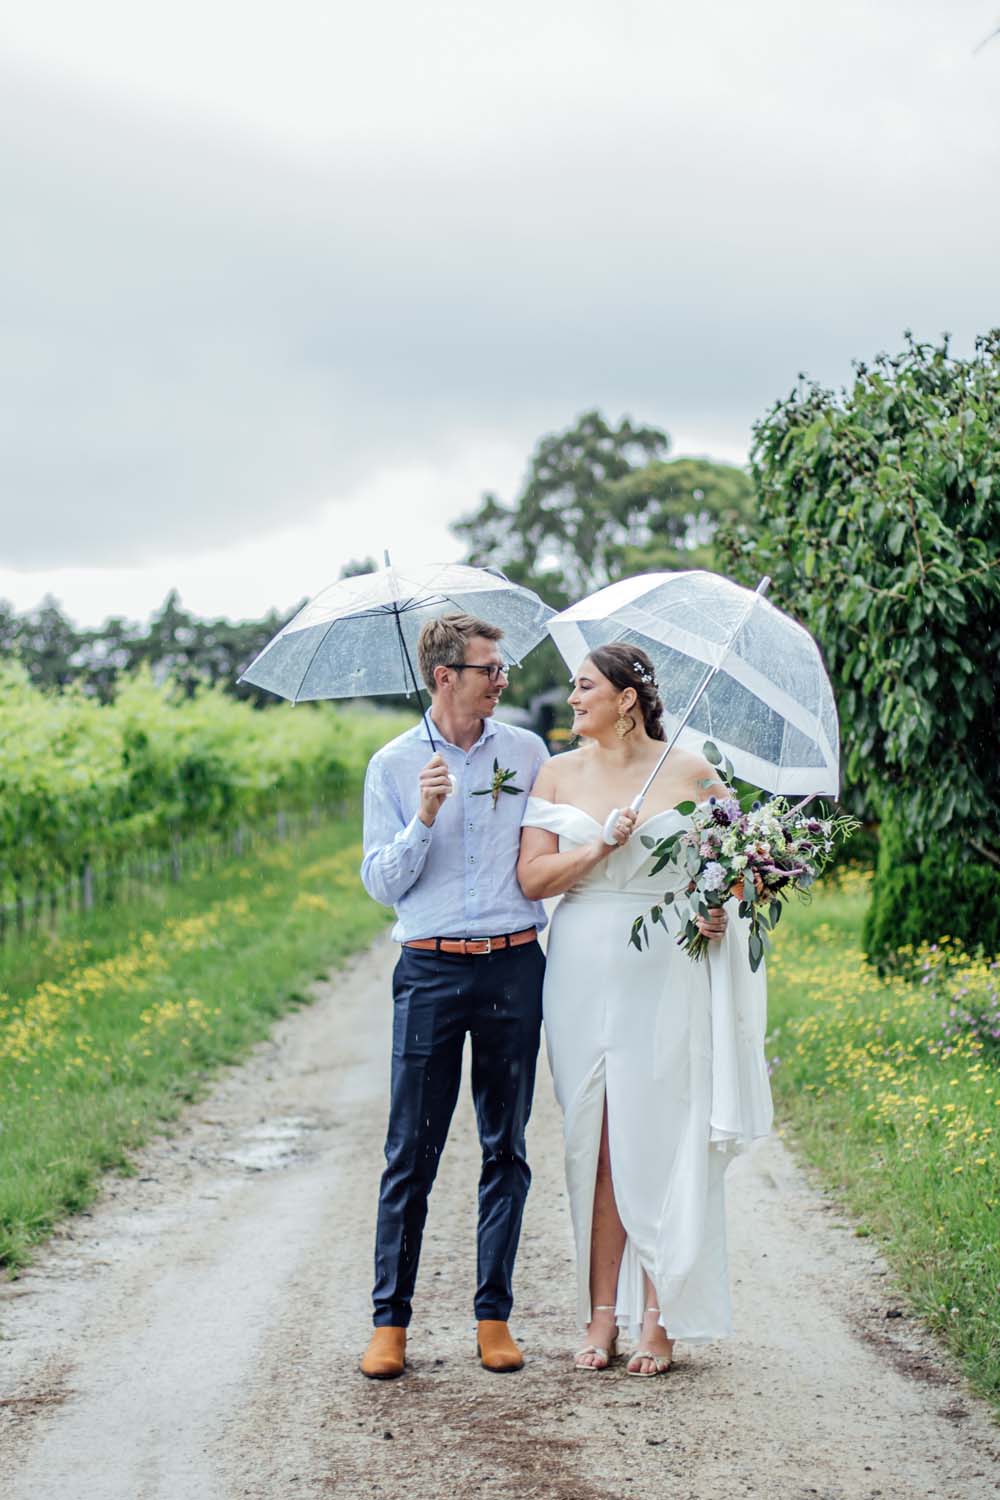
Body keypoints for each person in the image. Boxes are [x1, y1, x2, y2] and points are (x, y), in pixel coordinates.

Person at [517, 643, 772, 1376]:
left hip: (664, 961)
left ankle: (659, 1318)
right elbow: (533, 878)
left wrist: (722, 909)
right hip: (579, 963)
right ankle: (602, 1316)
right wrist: (599, 846)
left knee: (659, 1138)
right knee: (593, 1142)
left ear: (627, 698)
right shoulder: (556, 773)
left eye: (584, 687)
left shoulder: (691, 769)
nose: (572, 700)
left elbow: (742, 867)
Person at [358, 612, 549, 1380]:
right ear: (446, 678)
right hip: (430, 971)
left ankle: (493, 1316)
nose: (503, 680)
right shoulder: (394, 765)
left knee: (506, 1145)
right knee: (412, 1151)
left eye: (501, 668)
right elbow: (380, 885)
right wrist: (425, 818)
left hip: (512, 966)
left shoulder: (529, 754)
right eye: (490, 669)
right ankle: (390, 1323)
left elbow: (554, 845)